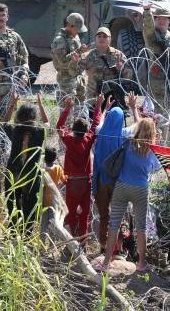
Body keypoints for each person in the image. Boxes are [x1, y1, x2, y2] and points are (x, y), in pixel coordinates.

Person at [100, 118, 162, 272]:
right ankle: (141, 263)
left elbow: (126, 131)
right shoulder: (152, 150)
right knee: (141, 227)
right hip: (141, 189)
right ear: (153, 133)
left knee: (114, 224)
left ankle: (106, 262)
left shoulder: (128, 143)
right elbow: (155, 168)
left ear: (138, 129)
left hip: (122, 186)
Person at [92, 93, 140, 252]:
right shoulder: (124, 133)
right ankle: (118, 249)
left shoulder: (100, 131)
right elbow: (139, 127)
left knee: (104, 216)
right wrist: (133, 108)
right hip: (117, 181)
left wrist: (103, 108)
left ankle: (102, 247)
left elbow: (99, 121)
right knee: (117, 216)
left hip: (100, 180)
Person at [56, 94, 104, 238]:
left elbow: (59, 126)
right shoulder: (88, 139)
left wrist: (67, 108)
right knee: (85, 213)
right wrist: (98, 107)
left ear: (73, 129)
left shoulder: (69, 139)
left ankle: (72, 237)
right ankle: (83, 240)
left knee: (71, 211)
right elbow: (96, 125)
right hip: (85, 182)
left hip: (72, 182)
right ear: (85, 131)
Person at [1, 93, 49, 232]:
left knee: (13, 202)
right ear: (34, 118)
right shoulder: (40, 133)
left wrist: (13, 103)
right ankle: (27, 232)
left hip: (13, 172)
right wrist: (40, 104)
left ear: (19, 117)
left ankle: (13, 230)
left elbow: (4, 122)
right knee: (30, 203)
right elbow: (47, 123)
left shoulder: (15, 131)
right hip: (31, 174)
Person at [141, 3, 170, 137]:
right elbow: (148, 27)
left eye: (165, 18)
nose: (162, 21)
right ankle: (157, 140)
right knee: (158, 114)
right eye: (158, 18)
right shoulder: (152, 36)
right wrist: (147, 11)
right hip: (158, 83)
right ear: (155, 20)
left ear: (169, 20)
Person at [73, 26, 129, 105]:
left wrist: (122, 69)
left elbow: (129, 76)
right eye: (99, 36)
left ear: (110, 39)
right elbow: (75, 73)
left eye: (105, 36)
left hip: (114, 97)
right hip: (94, 98)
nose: (101, 38)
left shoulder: (118, 55)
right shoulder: (88, 56)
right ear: (95, 39)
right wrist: (74, 62)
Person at [51, 13, 88, 107]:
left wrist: (81, 51)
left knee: (80, 108)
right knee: (66, 111)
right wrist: (76, 53)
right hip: (66, 80)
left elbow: (78, 56)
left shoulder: (75, 37)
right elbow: (62, 61)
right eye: (76, 28)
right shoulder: (59, 40)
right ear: (69, 26)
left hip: (78, 77)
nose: (78, 31)